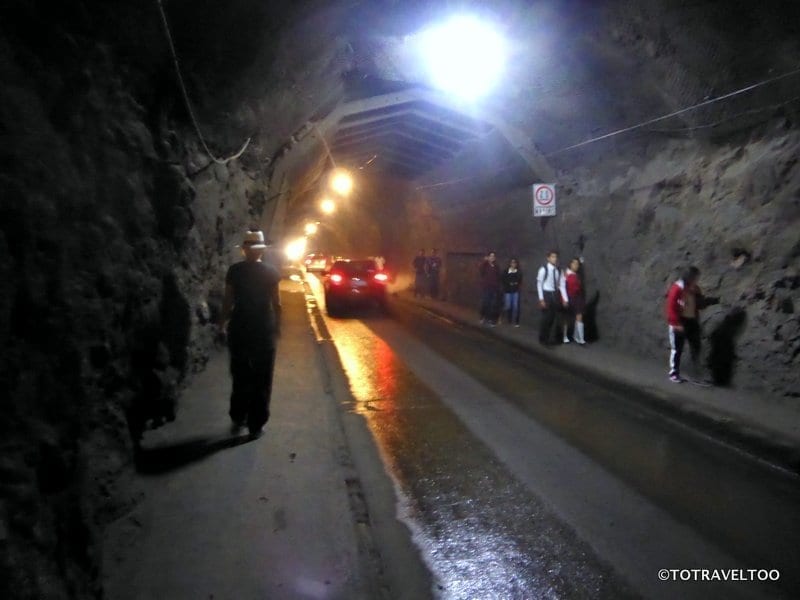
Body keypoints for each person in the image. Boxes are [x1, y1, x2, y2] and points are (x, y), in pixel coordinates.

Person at [219, 229, 282, 438]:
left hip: (240, 328)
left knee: (240, 373)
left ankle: (238, 415)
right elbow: (276, 303)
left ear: (245, 250)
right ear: (261, 251)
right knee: (262, 376)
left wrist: (221, 324)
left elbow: (228, 300)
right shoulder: (271, 272)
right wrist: (278, 326)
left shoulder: (234, 271)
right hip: (263, 329)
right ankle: (256, 423)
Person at [536, 250, 568, 345]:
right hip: (547, 294)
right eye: (552, 257)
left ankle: (549, 337)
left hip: (555, 294)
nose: (555, 259)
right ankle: (543, 338)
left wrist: (565, 299)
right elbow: (539, 284)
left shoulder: (559, 270)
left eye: (556, 257)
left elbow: (561, 285)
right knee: (546, 318)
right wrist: (541, 299)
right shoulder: (543, 269)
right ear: (548, 258)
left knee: (553, 317)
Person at [564, 257, 586, 344]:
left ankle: (579, 338)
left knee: (579, 316)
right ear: (570, 264)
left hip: (577, 298)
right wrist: (564, 299)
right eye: (574, 263)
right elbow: (562, 287)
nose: (575, 265)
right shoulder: (566, 274)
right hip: (568, 297)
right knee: (566, 317)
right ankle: (564, 336)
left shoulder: (577, 275)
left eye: (577, 264)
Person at [479, 251, 502, 326]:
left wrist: (498, 286)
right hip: (486, 287)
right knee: (486, 302)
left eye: (493, 256)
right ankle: (483, 317)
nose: (492, 258)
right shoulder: (485, 265)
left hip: (494, 288)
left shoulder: (496, 266)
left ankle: (490, 319)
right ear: (488, 257)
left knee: (492, 304)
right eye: (490, 256)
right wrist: (484, 261)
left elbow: (499, 276)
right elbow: (481, 271)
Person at [501, 258, 523, 326]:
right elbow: (503, 279)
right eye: (512, 263)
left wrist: (516, 284)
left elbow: (520, 280)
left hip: (515, 291)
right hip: (508, 291)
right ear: (510, 263)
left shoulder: (518, 272)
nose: (513, 264)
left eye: (514, 263)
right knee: (508, 306)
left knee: (515, 306)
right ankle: (508, 319)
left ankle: (516, 321)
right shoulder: (506, 271)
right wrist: (508, 284)